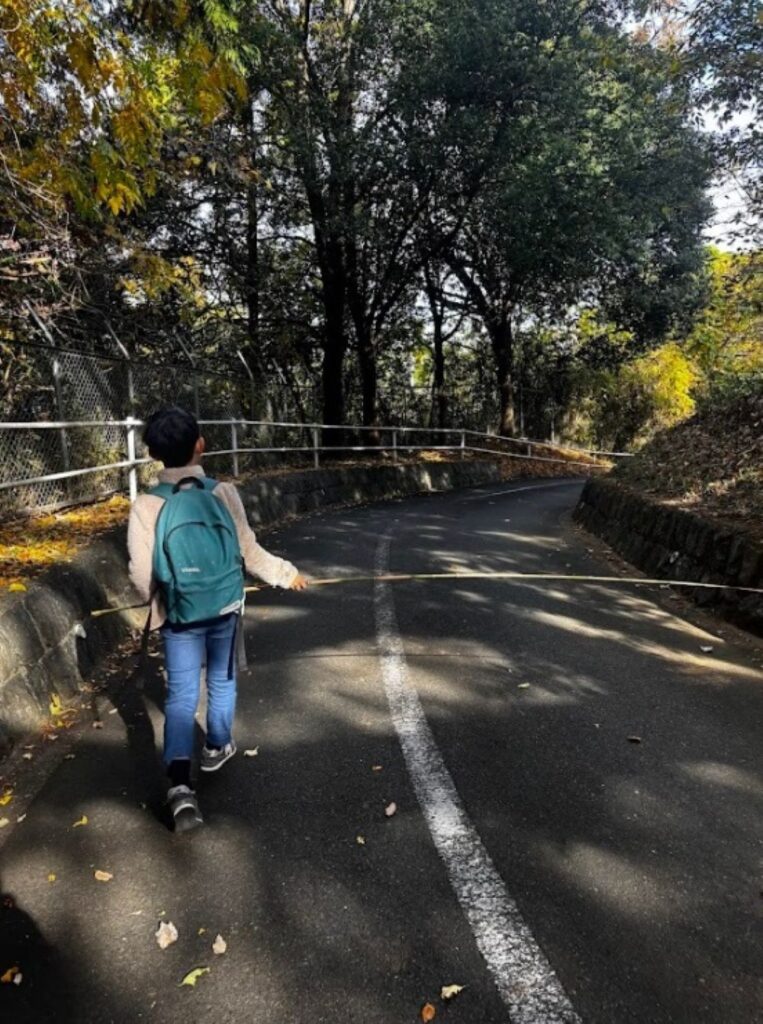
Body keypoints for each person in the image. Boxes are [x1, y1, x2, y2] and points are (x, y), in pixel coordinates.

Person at [127, 406, 307, 831]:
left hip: (179, 617)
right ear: (201, 445)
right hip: (225, 611)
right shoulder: (223, 493)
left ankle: (178, 788)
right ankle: (216, 745)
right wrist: (287, 574)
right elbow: (248, 550)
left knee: (180, 697)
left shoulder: (146, 505)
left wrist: (159, 606)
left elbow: (140, 573)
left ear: (152, 453)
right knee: (222, 681)